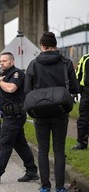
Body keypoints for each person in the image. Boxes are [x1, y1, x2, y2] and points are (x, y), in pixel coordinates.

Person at [24, 32, 79, 192]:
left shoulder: (33, 64)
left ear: (42, 45)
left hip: (40, 112)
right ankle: (60, 187)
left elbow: (27, 90)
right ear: (55, 45)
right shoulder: (66, 63)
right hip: (60, 112)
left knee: (42, 149)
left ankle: (45, 186)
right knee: (59, 149)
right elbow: (75, 88)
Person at [0, 52, 39, 184]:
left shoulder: (17, 74)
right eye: (0, 61)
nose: (1, 63)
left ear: (12, 62)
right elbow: (7, 97)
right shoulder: (4, 75)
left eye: (5, 61)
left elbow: (11, 89)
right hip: (9, 114)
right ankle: (32, 171)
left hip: (14, 115)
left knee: (5, 142)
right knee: (20, 143)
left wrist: (0, 82)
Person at [73, 53, 89, 150]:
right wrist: (75, 91)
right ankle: (82, 143)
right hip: (86, 91)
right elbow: (78, 74)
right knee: (83, 118)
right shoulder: (85, 58)